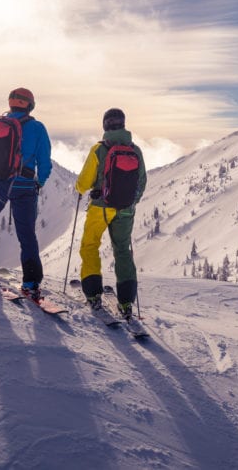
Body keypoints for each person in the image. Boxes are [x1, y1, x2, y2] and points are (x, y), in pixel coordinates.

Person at [0, 88, 52, 298]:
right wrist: (39, 183)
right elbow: (45, 162)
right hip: (26, 186)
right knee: (27, 234)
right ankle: (31, 283)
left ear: (11, 104)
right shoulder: (37, 128)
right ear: (30, 105)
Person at [75, 108, 147, 318]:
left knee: (90, 245)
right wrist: (130, 202)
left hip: (100, 208)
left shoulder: (99, 149)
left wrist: (80, 189)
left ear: (105, 125)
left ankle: (93, 293)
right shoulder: (135, 150)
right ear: (123, 125)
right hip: (125, 210)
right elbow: (142, 182)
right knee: (122, 250)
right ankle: (126, 302)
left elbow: (84, 181)